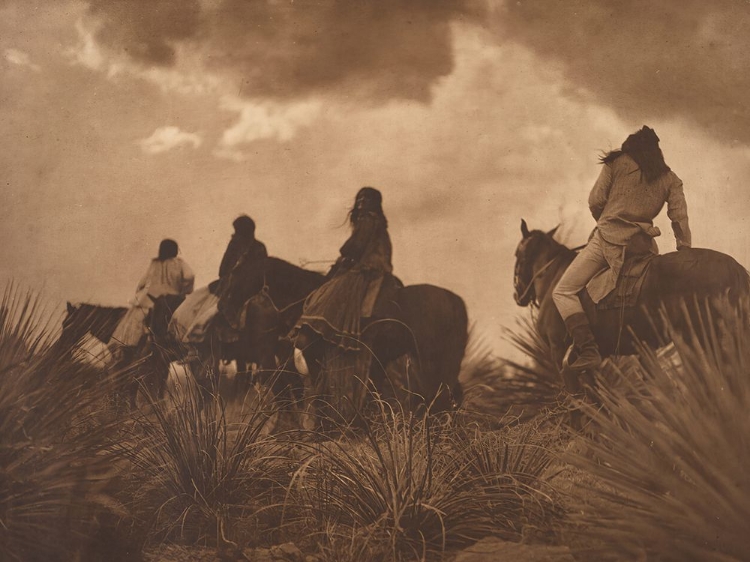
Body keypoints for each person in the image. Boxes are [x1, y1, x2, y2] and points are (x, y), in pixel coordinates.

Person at [552, 125, 691, 370]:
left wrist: (607, 220)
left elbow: (595, 201)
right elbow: (678, 217)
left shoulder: (615, 164)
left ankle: (588, 350)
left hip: (606, 240)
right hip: (642, 247)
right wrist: (684, 246)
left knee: (562, 291)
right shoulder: (670, 178)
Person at [292, 186, 394, 351]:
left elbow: (357, 245)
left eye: (366, 199)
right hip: (371, 263)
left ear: (374, 203)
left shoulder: (368, 219)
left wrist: (345, 256)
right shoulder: (372, 220)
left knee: (337, 289)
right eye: (359, 198)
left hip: (370, 266)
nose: (361, 202)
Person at [169, 215, 267, 344]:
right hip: (253, 288)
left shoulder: (236, 245)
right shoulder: (258, 247)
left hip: (236, 287)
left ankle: (200, 338)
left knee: (207, 308)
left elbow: (222, 270)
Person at [111, 239, 195, 350]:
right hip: (172, 300)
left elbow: (142, 282)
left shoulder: (154, 263)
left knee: (134, 323)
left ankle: (132, 347)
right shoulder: (179, 263)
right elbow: (190, 275)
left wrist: (140, 293)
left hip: (150, 299)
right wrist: (183, 290)